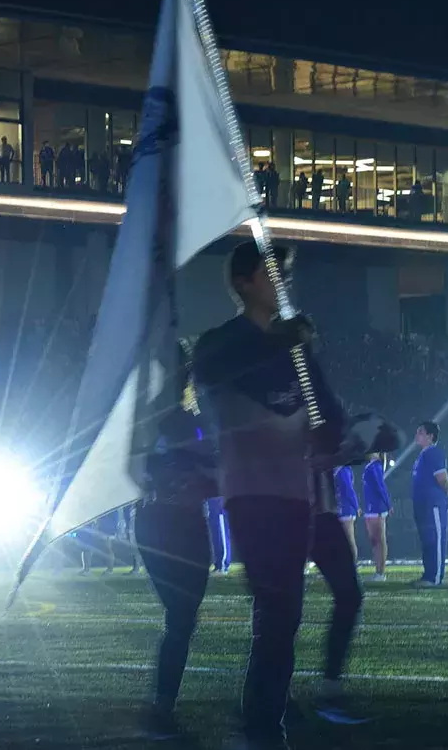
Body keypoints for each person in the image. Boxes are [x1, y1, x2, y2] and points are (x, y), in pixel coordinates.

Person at [193, 241, 363, 745]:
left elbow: (327, 415)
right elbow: (210, 368)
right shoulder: (222, 343)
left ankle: (266, 725)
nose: (282, 282)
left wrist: (356, 435)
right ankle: (263, 728)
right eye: (272, 274)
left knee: (284, 619)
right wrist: (278, 343)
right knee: (275, 615)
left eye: (285, 274)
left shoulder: (297, 348)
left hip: (298, 496)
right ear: (244, 282)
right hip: (252, 495)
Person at [133, 346, 218, 739]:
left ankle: (163, 704)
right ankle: (162, 705)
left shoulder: (195, 422)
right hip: (160, 522)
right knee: (181, 616)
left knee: (183, 618)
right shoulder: (146, 423)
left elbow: (213, 469)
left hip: (188, 524)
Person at [411, 421, 448, 587]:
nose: (417, 434)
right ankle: (428, 575)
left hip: (433, 504)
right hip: (422, 504)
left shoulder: (434, 453)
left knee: (435, 539)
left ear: (430, 436)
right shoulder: (423, 455)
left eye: (421, 432)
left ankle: (435, 577)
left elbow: (443, 480)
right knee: (426, 540)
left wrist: (446, 494)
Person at [361, 453, 391, 582]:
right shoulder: (370, 466)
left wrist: (388, 504)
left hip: (377, 507)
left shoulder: (376, 466)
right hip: (370, 507)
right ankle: (377, 570)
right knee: (374, 540)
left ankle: (381, 572)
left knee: (379, 539)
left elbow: (381, 486)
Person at [334, 465, 358, 562]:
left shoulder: (343, 469)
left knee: (349, 539)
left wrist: (356, 506)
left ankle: (352, 565)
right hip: (338, 508)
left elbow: (349, 489)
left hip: (346, 509)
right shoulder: (334, 469)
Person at [204, 497, 232, 574]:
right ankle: (218, 564)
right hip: (212, 508)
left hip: (219, 509)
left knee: (222, 536)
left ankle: (224, 564)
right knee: (216, 538)